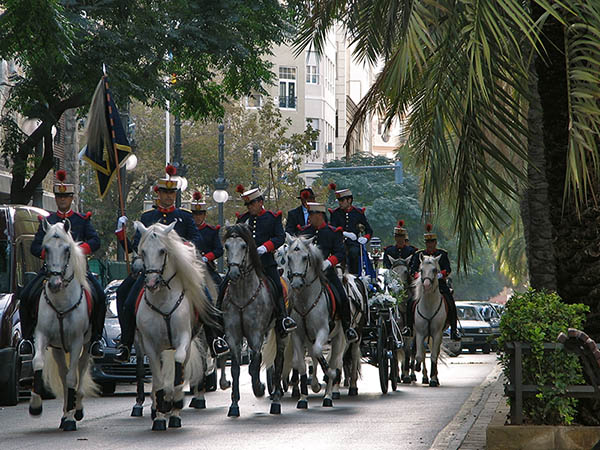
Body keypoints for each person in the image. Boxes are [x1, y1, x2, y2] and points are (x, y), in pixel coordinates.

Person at [114, 166, 229, 361]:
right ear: (157, 194)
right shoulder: (147, 218)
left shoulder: (184, 216)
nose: (169, 197)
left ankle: (214, 339)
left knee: (206, 296)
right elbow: (135, 246)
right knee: (124, 295)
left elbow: (196, 238)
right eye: (165, 193)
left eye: (172, 193)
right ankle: (125, 343)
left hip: (179, 269)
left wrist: (180, 246)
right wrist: (121, 235)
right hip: (152, 269)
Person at [18, 170, 107, 358]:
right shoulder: (48, 221)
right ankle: (27, 339)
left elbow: (95, 240)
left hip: (78, 271)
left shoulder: (81, 220)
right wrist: (50, 254)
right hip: (51, 270)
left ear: (71, 198)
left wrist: (79, 250)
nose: (62, 200)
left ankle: (97, 339)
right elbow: (35, 246)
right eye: (59, 197)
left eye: (66, 197)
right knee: (26, 295)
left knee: (99, 296)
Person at [230, 185, 297, 336]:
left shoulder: (272, 218)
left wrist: (265, 248)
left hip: (265, 263)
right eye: (248, 204)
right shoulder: (242, 219)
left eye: (252, 204)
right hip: (244, 265)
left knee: (278, 287)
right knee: (225, 285)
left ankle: (283, 318)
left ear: (260, 202)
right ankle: (221, 319)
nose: (250, 207)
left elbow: (279, 237)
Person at [298, 203, 359, 343]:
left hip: (326, 273)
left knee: (342, 297)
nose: (309, 218)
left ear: (319, 215)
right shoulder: (304, 232)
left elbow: (340, 253)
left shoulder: (333, 232)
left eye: (312, 215)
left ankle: (346, 327)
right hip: (305, 274)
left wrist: (329, 262)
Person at [410, 224, 460, 341]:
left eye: (432, 242)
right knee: (410, 302)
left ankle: (454, 330)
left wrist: (439, 275)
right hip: (422, 285)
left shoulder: (442, 254)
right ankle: (408, 327)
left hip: (439, 285)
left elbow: (448, 269)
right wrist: (419, 276)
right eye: (428, 243)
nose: (430, 245)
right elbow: (413, 270)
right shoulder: (419, 255)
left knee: (450, 302)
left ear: (435, 243)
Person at [328, 184, 373, 275]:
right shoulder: (335, 214)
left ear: (349, 200)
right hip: (339, 242)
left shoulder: (358, 213)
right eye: (339, 201)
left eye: (342, 200)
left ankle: (355, 275)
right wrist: (344, 233)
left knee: (354, 253)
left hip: (353, 243)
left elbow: (369, 230)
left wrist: (365, 238)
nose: (340, 203)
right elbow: (332, 229)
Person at [383, 220, 418, 334]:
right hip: (393, 282)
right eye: (397, 236)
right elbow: (386, 267)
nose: (399, 239)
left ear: (405, 237)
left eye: (401, 236)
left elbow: (414, 266)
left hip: (408, 283)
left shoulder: (411, 251)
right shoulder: (389, 251)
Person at [190, 191, 223, 287]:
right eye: (195, 215)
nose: (198, 217)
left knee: (219, 285)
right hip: (189, 265)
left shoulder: (211, 231)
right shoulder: (188, 231)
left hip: (207, 267)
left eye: (200, 214)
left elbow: (219, 250)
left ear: (204, 215)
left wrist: (206, 258)